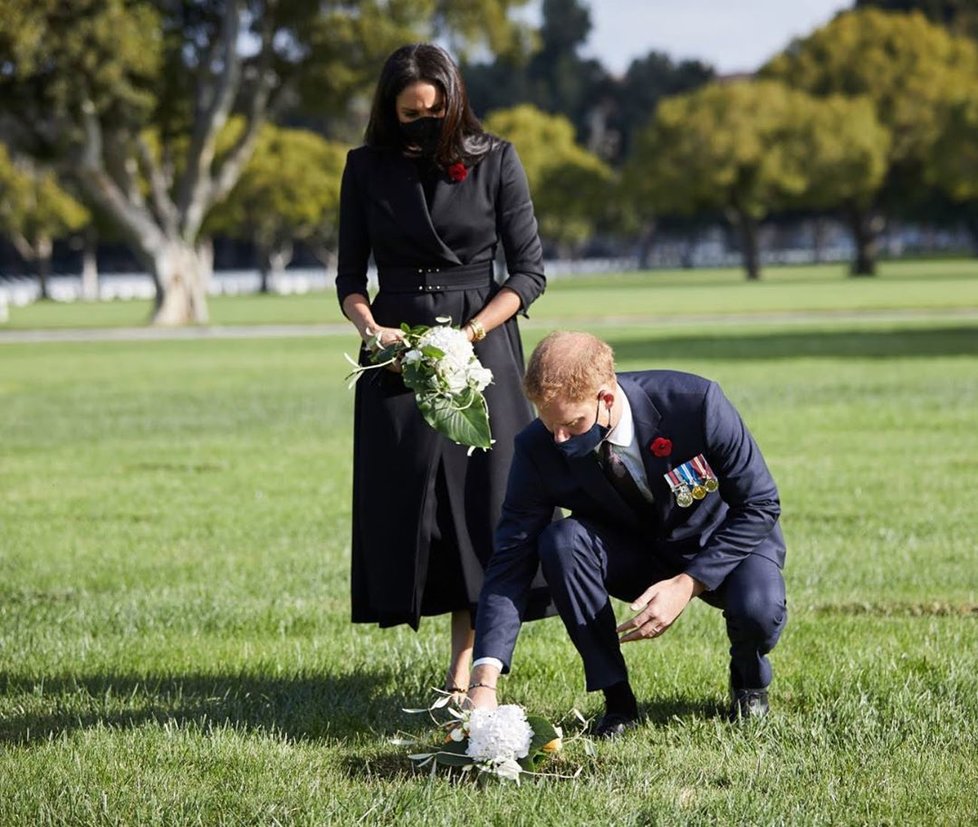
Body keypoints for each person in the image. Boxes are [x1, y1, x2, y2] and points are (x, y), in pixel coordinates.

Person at [336, 43, 551, 695]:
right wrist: (372, 328)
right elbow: (350, 277)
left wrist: (474, 332)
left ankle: (468, 665)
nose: (424, 123)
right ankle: (432, 625)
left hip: (480, 342)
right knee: (411, 505)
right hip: (397, 347)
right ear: (389, 111)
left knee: (478, 504)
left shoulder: (497, 160)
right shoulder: (364, 168)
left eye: (435, 111)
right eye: (410, 114)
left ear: (454, 102)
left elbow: (528, 272)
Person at [467, 331, 787, 734]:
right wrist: (484, 679)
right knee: (561, 542)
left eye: (571, 424)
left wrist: (688, 584)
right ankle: (618, 701)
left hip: (723, 542)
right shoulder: (538, 447)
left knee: (758, 609)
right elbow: (511, 556)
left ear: (605, 397)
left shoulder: (695, 403)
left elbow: (760, 504)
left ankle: (748, 681)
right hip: (634, 553)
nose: (558, 439)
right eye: (549, 425)